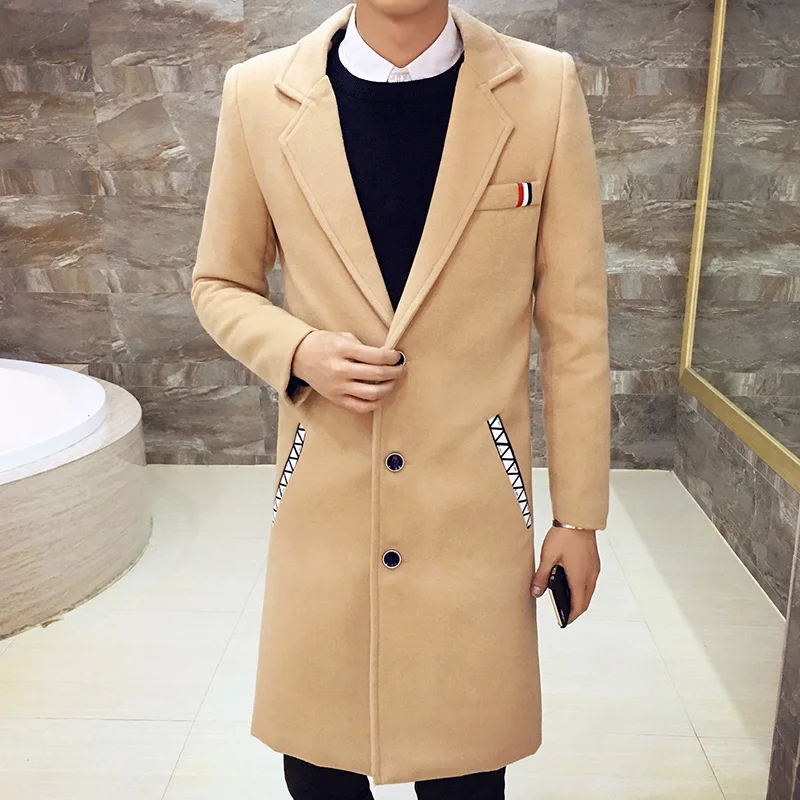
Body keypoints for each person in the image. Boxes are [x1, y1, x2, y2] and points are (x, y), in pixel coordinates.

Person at [190, 1, 611, 798]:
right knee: (320, 766)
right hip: (327, 495)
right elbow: (219, 283)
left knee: (466, 773)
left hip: (473, 507)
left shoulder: (544, 90)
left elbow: (577, 326)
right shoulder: (258, 94)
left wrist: (579, 516)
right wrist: (298, 351)